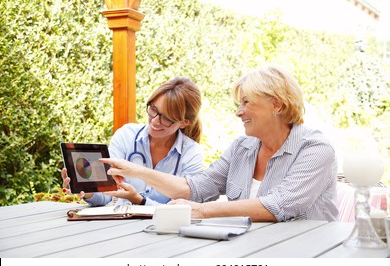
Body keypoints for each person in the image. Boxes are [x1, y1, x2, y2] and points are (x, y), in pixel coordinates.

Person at [100, 64, 339, 222]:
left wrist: (203, 211)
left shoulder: (315, 149)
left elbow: (280, 205)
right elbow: (196, 188)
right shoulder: (242, 149)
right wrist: (136, 171)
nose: (239, 112)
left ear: (276, 105)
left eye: (246, 102)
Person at [62, 76, 203, 206]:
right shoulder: (126, 136)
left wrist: (140, 201)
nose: (154, 121)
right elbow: (107, 194)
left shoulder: (191, 154)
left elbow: (183, 210)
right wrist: (88, 191)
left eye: (166, 119)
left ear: (184, 123)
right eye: (153, 109)